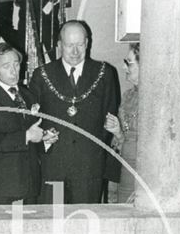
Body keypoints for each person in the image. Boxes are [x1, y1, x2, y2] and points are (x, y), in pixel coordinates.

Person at [29, 20, 119, 204]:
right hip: (54, 165)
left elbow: (108, 118)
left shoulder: (104, 73)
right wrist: (44, 140)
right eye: (70, 45)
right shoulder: (42, 75)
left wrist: (92, 154)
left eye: (80, 45)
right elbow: (32, 120)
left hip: (89, 169)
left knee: (85, 224)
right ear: (60, 45)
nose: (75, 52)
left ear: (87, 43)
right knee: (54, 222)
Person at [0, 43, 45, 204]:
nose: (14, 70)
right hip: (2, 187)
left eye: (16, 64)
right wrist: (26, 136)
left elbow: (34, 134)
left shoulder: (28, 96)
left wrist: (44, 139)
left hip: (30, 184)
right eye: (6, 66)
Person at [104, 42, 139, 203]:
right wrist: (117, 131)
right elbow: (123, 138)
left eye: (129, 63)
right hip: (122, 167)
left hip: (141, 174)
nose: (124, 67)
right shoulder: (128, 96)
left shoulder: (156, 100)